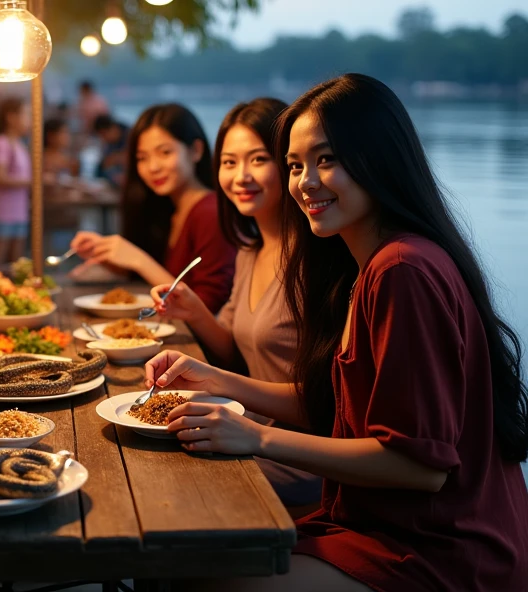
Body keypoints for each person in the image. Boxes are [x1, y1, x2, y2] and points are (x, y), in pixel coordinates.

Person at [146, 74, 528, 591]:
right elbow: (337, 408)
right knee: (191, 541)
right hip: (371, 522)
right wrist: (216, 379)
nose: (305, 183)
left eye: (326, 160)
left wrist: (256, 436)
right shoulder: (366, 266)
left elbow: (420, 468)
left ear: (379, 158)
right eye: (297, 165)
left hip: (436, 550)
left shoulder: (402, 271)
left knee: (191, 570)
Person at [150, 98, 320, 508]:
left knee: (164, 487)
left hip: (302, 452)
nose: (240, 176)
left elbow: (327, 401)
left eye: (258, 159)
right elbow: (231, 346)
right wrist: (193, 310)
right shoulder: (251, 250)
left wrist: (216, 382)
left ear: (289, 164)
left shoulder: (316, 261)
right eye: (228, 162)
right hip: (250, 427)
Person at [70, 103, 237, 313]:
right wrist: (109, 257)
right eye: (142, 158)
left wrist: (138, 259)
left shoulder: (210, 212)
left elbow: (207, 310)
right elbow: (167, 275)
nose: (153, 167)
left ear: (195, 150)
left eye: (165, 152)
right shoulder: (169, 209)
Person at [0, 97, 32, 264]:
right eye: (26, 115)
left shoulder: (19, 143)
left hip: (19, 211)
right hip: (0, 211)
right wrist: (33, 182)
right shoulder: (1, 143)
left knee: (16, 265)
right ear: (11, 117)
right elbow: (0, 177)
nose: (29, 120)